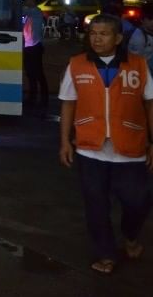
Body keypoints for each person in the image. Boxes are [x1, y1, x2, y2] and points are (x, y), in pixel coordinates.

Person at [58, 14, 153, 274]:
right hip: (90, 149)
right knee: (96, 207)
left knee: (138, 202)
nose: (97, 38)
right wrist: (65, 141)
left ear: (118, 38)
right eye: (93, 33)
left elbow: (150, 103)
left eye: (104, 33)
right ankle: (106, 253)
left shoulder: (138, 65)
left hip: (130, 150)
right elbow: (68, 102)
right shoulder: (77, 65)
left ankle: (130, 236)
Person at [21, 0, 48, 110]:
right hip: (29, 46)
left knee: (37, 73)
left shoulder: (35, 11)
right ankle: (33, 97)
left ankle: (43, 98)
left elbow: (20, 11)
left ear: (33, 0)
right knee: (31, 73)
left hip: (34, 46)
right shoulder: (30, 12)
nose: (26, 0)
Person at [127, 2, 153, 73]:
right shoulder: (138, 37)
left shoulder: (149, 34)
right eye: (150, 19)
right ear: (142, 19)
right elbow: (135, 62)